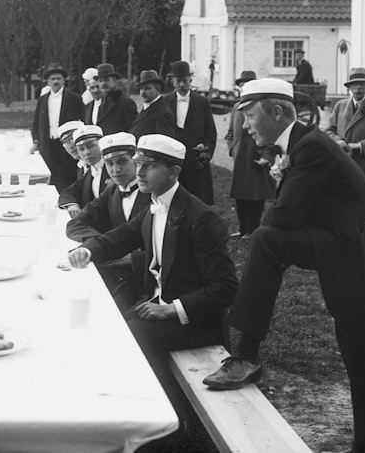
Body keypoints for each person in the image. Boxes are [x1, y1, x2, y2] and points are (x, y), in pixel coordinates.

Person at [202, 78, 365, 453]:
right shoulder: (300, 142)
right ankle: (247, 354)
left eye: (249, 115)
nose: (245, 126)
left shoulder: (311, 146)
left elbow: (285, 217)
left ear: (277, 111)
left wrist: (279, 188)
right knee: (267, 242)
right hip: (336, 240)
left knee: (358, 349)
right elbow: (291, 211)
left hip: (358, 250)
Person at [67, 134, 237, 431]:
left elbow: (225, 288)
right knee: (109, 328)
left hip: (196, 323)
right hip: (156, 307)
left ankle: (162, 424)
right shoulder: (155, 206)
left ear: (173, 172)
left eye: (150, 166)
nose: (140, 172)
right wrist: (88, 249)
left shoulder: (201, 218)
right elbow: (120, 237)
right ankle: (122, 416)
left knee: (126, 339)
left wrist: (171, 310)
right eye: (138, 164)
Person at [65, 132, 151, 309]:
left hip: (148, 277)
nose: (115, 170)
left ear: (136, 161)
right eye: (109, 163)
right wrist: (101, 245)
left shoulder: (153, 194)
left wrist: (133, 258)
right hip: (119, 271)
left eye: (122, 162)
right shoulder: (112, 192)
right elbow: (75, 223)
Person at [324, 67, 365, 200]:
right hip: (343, 162)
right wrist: (339, 142)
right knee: (344, 204)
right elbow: (328, 131)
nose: (358, 88)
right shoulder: (340, 106)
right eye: (354, 84)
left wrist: (359, 146)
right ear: (349, 87)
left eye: (362, 84)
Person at [224, 71, 275, 237]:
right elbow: (231, 132)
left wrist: (266, 156)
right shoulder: (235, 108)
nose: (243, 88)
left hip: (256, 158)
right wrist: (233, 148)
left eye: (248, 85)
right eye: (241, 85)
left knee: (255, 195)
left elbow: (272, 136)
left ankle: (253, 229)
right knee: (240, 194)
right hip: (240, 159)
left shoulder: (262, 107)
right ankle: (243, 228)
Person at [163, 60, 217, 205]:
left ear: (190, 80)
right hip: (172, 161)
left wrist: (206, 152)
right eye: (178, 81)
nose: (181, 85)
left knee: (196, 202)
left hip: (195, 161)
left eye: (185, 81)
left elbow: (211, 132)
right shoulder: (164, 103)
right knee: (173, 201)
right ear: (172, 81)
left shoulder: (202, 103)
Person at [31, 63, 85, 192]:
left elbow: (84, 122)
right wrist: (36, 141)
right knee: (50, 177)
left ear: (64, 80)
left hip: (67, 146)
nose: (56, 81)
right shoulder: (43, 99)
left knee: (67, 178)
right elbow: (36, 123)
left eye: (58, 78)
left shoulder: (75, 98)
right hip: (47, 145)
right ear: (48, 81)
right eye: (53, 79)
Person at [58, 124, 110, 216]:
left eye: (91, 146)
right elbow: (69, 191)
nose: (87, 152)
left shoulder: (112, 170)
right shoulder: (90, 171)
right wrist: (72, 205)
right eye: (81, 149)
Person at [91, 62, 138, 135]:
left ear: (115, 81)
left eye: (106, 80)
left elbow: (134, 130)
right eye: (101, 81)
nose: (103, 83)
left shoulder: (126, 102)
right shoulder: (102, 102)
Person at [129, 70, 177, 139]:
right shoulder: (147, 107)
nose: (142, 92)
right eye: (141, 88)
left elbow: (165, 144)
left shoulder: (163, 113)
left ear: (158, 90)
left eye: (147, 88)